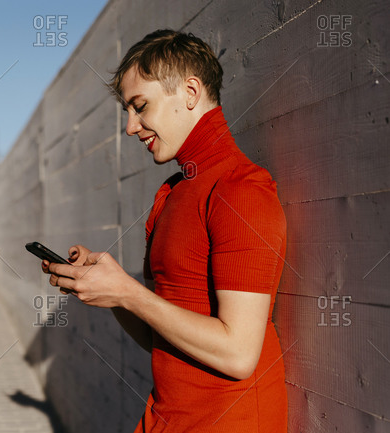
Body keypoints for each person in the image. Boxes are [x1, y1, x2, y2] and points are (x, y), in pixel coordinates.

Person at [42, 29, 288, 432]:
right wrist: (108, 291)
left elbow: (238, 353)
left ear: (190, 92)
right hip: (166, 418)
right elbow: (161, 335)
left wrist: (127, 291)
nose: (130, 127)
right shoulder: (172, 193)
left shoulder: (241, 190)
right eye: (127, 111)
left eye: (140, 107)